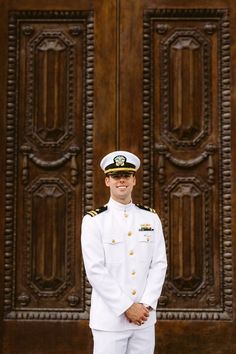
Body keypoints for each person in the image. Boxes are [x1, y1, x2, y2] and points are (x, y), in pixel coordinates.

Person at [81, 150, 167, 354]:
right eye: (116, 176)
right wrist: (127, 307)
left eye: (126, 175)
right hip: (110, 320)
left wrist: (145, 305)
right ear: (107, 181)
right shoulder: (94, 221)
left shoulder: (150, 218)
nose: (122, 181)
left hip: (144, 320)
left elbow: (159, 264)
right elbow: (95, 270)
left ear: (134, 180)